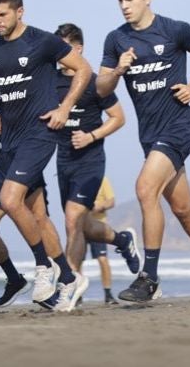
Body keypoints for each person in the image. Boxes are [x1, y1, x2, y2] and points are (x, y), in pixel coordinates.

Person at [97, 0, 190, 303]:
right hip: (150, 136)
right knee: (183, 209)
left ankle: (149, 278)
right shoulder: (116, 39)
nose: (124, 6)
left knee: (145, 189)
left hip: (179, 128)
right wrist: (119, 70)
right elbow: (101, 88)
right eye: (119, 1)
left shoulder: (175, 30)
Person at [0, 0, 93, 303]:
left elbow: (83, 69)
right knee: (37, 215)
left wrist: (64, 108)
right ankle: (70, 277)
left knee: (9, 198)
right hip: (10, 142)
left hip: (40, 133)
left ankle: (43, 269)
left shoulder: (43, 41)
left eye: (2, 14)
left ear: (20, 12)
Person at [50, 23, 139, 312]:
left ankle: (69, 285)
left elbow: (118, 117)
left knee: (73, 220)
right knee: (80, 225)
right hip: (63, 161)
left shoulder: (94, 82)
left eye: (64, 49)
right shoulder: (49, 81)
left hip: (90, 162)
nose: (59, 55)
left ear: (78, 49)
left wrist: (91, 135)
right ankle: (122, 239)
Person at [0, 112, 66, 308]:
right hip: (2, 175)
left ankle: (65, 277)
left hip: (26, 169)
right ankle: (15, 280)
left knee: (40, 221)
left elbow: (31, 130)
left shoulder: (22, 93)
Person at [83, 176, 128, 305]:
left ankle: (108, 293)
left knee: (102, 260)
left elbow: (111, 201)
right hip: (79, 225)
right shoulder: (77, 177)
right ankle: (78, 295)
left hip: (98, 225)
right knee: (77, 260)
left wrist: (97, 206)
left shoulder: (102, 179)